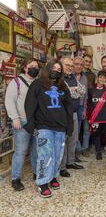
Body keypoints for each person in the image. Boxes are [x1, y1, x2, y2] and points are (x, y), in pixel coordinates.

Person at [24, 59, 74, 198]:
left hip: (60, 126)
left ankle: (52, 177)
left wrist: (70, 125)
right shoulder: (37, 84)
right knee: (45, 154)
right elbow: (30, 105)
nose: (56, 71)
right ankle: (42, 183)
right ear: (48, 69)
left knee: (57, 155)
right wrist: (31, 124)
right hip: (44, 126)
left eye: (59, 70)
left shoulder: (63, 86)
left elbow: (69, 107)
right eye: (54, 68)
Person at [5, 58, 39, 191]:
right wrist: (15, 118)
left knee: (36, 150)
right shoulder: (16, 82)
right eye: (31, 66)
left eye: (36, 66)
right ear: (25, 68)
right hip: (22, 122)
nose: (34, 68)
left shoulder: (38, 83)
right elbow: (9, 101)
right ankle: (16, 178)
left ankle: (37, 173)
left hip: (36, 123)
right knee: (20, 151)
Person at [60, 57, 86, 178]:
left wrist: (74, 90)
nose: (70, 67)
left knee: (73, 139)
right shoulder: (59, 79)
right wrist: (74, 90)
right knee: (64, 141)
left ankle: (70, 162)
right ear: (61, 65)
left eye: (71, 65)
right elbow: (68, 94)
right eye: (67, 65)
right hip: (64, 114)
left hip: (75, 113)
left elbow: (83, 90)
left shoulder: (73, 77)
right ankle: (62, 167)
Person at [87, 71, 106, 160]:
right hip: (95, 118)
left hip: (105, 117)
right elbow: (89, 105)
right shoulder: (91, 90)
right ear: (97, 78)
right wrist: (89, 116)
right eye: (100, 77)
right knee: (96, 135)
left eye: (104, 78)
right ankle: (98, 152)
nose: (102, 79)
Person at [73, 56, 88, 160]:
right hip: (71, 106)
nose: (79, 66)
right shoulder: (69, 76)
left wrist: (84, 109)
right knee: (72, 131)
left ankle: (75, 152)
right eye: (76, 64)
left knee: (77, 131)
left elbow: (85, 95)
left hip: (80, 107)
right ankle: (73, 153)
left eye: (81, 65)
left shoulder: (84, 78)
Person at [81, 54, 96, 155]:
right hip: (77, 104)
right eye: (85, 61)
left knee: (86, 128)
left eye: (89, 62)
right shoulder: (76, 73)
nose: (87, 63)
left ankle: (84, 148)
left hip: (88, 104)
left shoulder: (92, 75)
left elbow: (93, 89)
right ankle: (77, 148)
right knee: (76, 130)